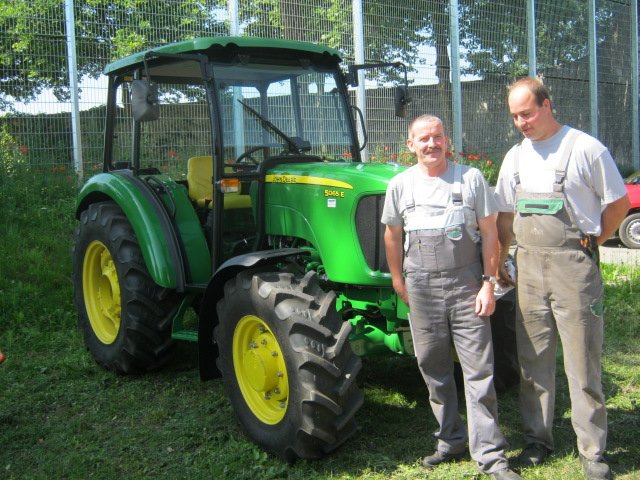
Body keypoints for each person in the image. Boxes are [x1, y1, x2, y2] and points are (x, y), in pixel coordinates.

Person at [494, 77, 630, 480]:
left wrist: (598, 239)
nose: (522, 122)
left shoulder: (585, 148)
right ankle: (537, 440)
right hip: (529, 267)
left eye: (528, 113)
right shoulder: (515, 157)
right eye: (515, 116)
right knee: (533, 361)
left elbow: (619, 201)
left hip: (575, 267)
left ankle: (592, 450)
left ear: (547, 105)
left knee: (582, 362)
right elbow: (504, 214)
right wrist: (502, 259)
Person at [382, 114, 521, 480]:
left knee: (479, 372)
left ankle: (491, 457)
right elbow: (392, 235)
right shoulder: (400, 185)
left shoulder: (470, 179)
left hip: (467, 288)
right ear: (410, 144)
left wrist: (489, 283)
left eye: (438, 137)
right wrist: (398, 280)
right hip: (422, 289)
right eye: (423, 139)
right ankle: (450, 439)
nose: (432, 144)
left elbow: (491, 234)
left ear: (448, 140)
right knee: (433, 367)